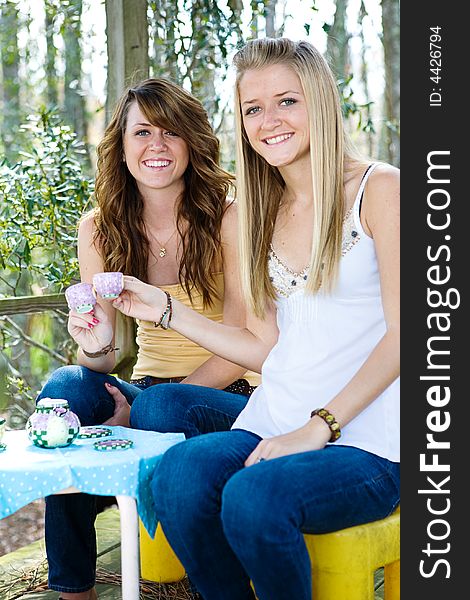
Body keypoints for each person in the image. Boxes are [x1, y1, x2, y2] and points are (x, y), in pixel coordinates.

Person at [111, 37, 400, 600]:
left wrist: (321, 426)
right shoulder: (250, 214)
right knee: (178, 477)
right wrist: (162, 309)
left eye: (286, 101)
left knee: (252, 495)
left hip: (369, 441)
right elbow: (263, 345)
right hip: (275, 422)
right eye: (252, 108)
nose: (269, 121)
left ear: (320, 101)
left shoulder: (380, 190)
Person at [37, 78, 259, 600]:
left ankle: (213, 583)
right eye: (142, 133)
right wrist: (91, 344)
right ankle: (75, 591)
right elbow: (107, 354)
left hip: (235, 396)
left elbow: (245, 342)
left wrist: (135, 420)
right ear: (122, 145)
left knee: (159, 406)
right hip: (149, 389)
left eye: (170, 133)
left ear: (191, 143)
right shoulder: (100, 229)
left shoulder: (230, 217)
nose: (156, 146)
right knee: (65, 387)